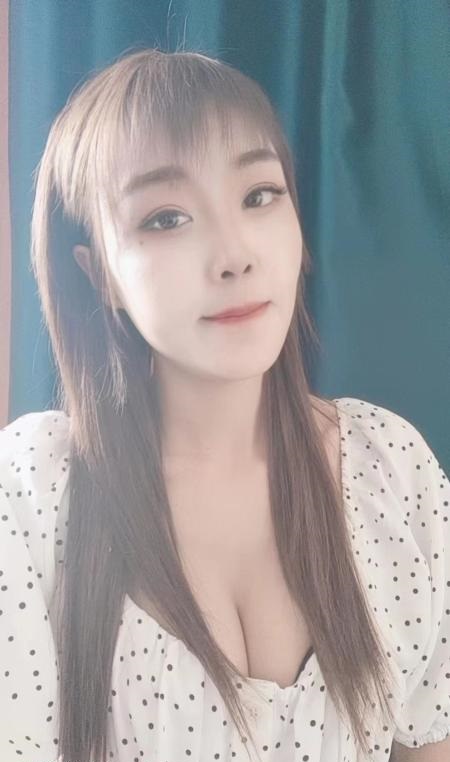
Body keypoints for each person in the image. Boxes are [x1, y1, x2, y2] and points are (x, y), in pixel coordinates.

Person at [0, 47, 449, 762]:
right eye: (167, 218)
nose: (235, 254)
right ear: (100, 274)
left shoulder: (388, 466)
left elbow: (429, 741)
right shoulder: (35, 491)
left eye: (259, 195)